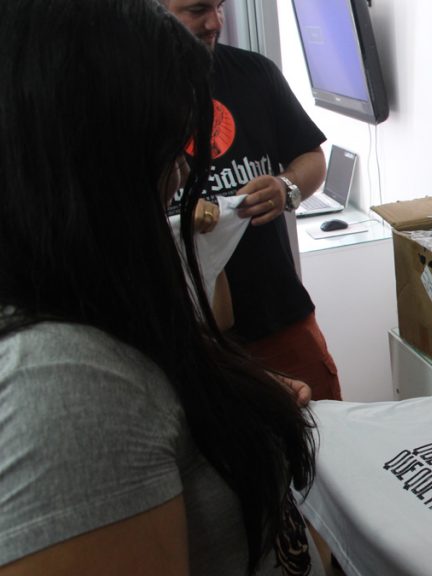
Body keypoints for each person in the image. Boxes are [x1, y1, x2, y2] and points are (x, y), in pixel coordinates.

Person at [0, 1, 326, 574]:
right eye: (164, 151)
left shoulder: (104, 311)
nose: (180, 174)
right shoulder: (62, 387)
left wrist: (228, 391)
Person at [163, 0, 342, 402]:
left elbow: (311, 157)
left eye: (220, 6)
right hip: (186, 341)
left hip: (278, 317)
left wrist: (285, 187)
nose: (215, 22)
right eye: (197, 9)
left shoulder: (254, 73)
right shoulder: (124, 89)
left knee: (329, 430)